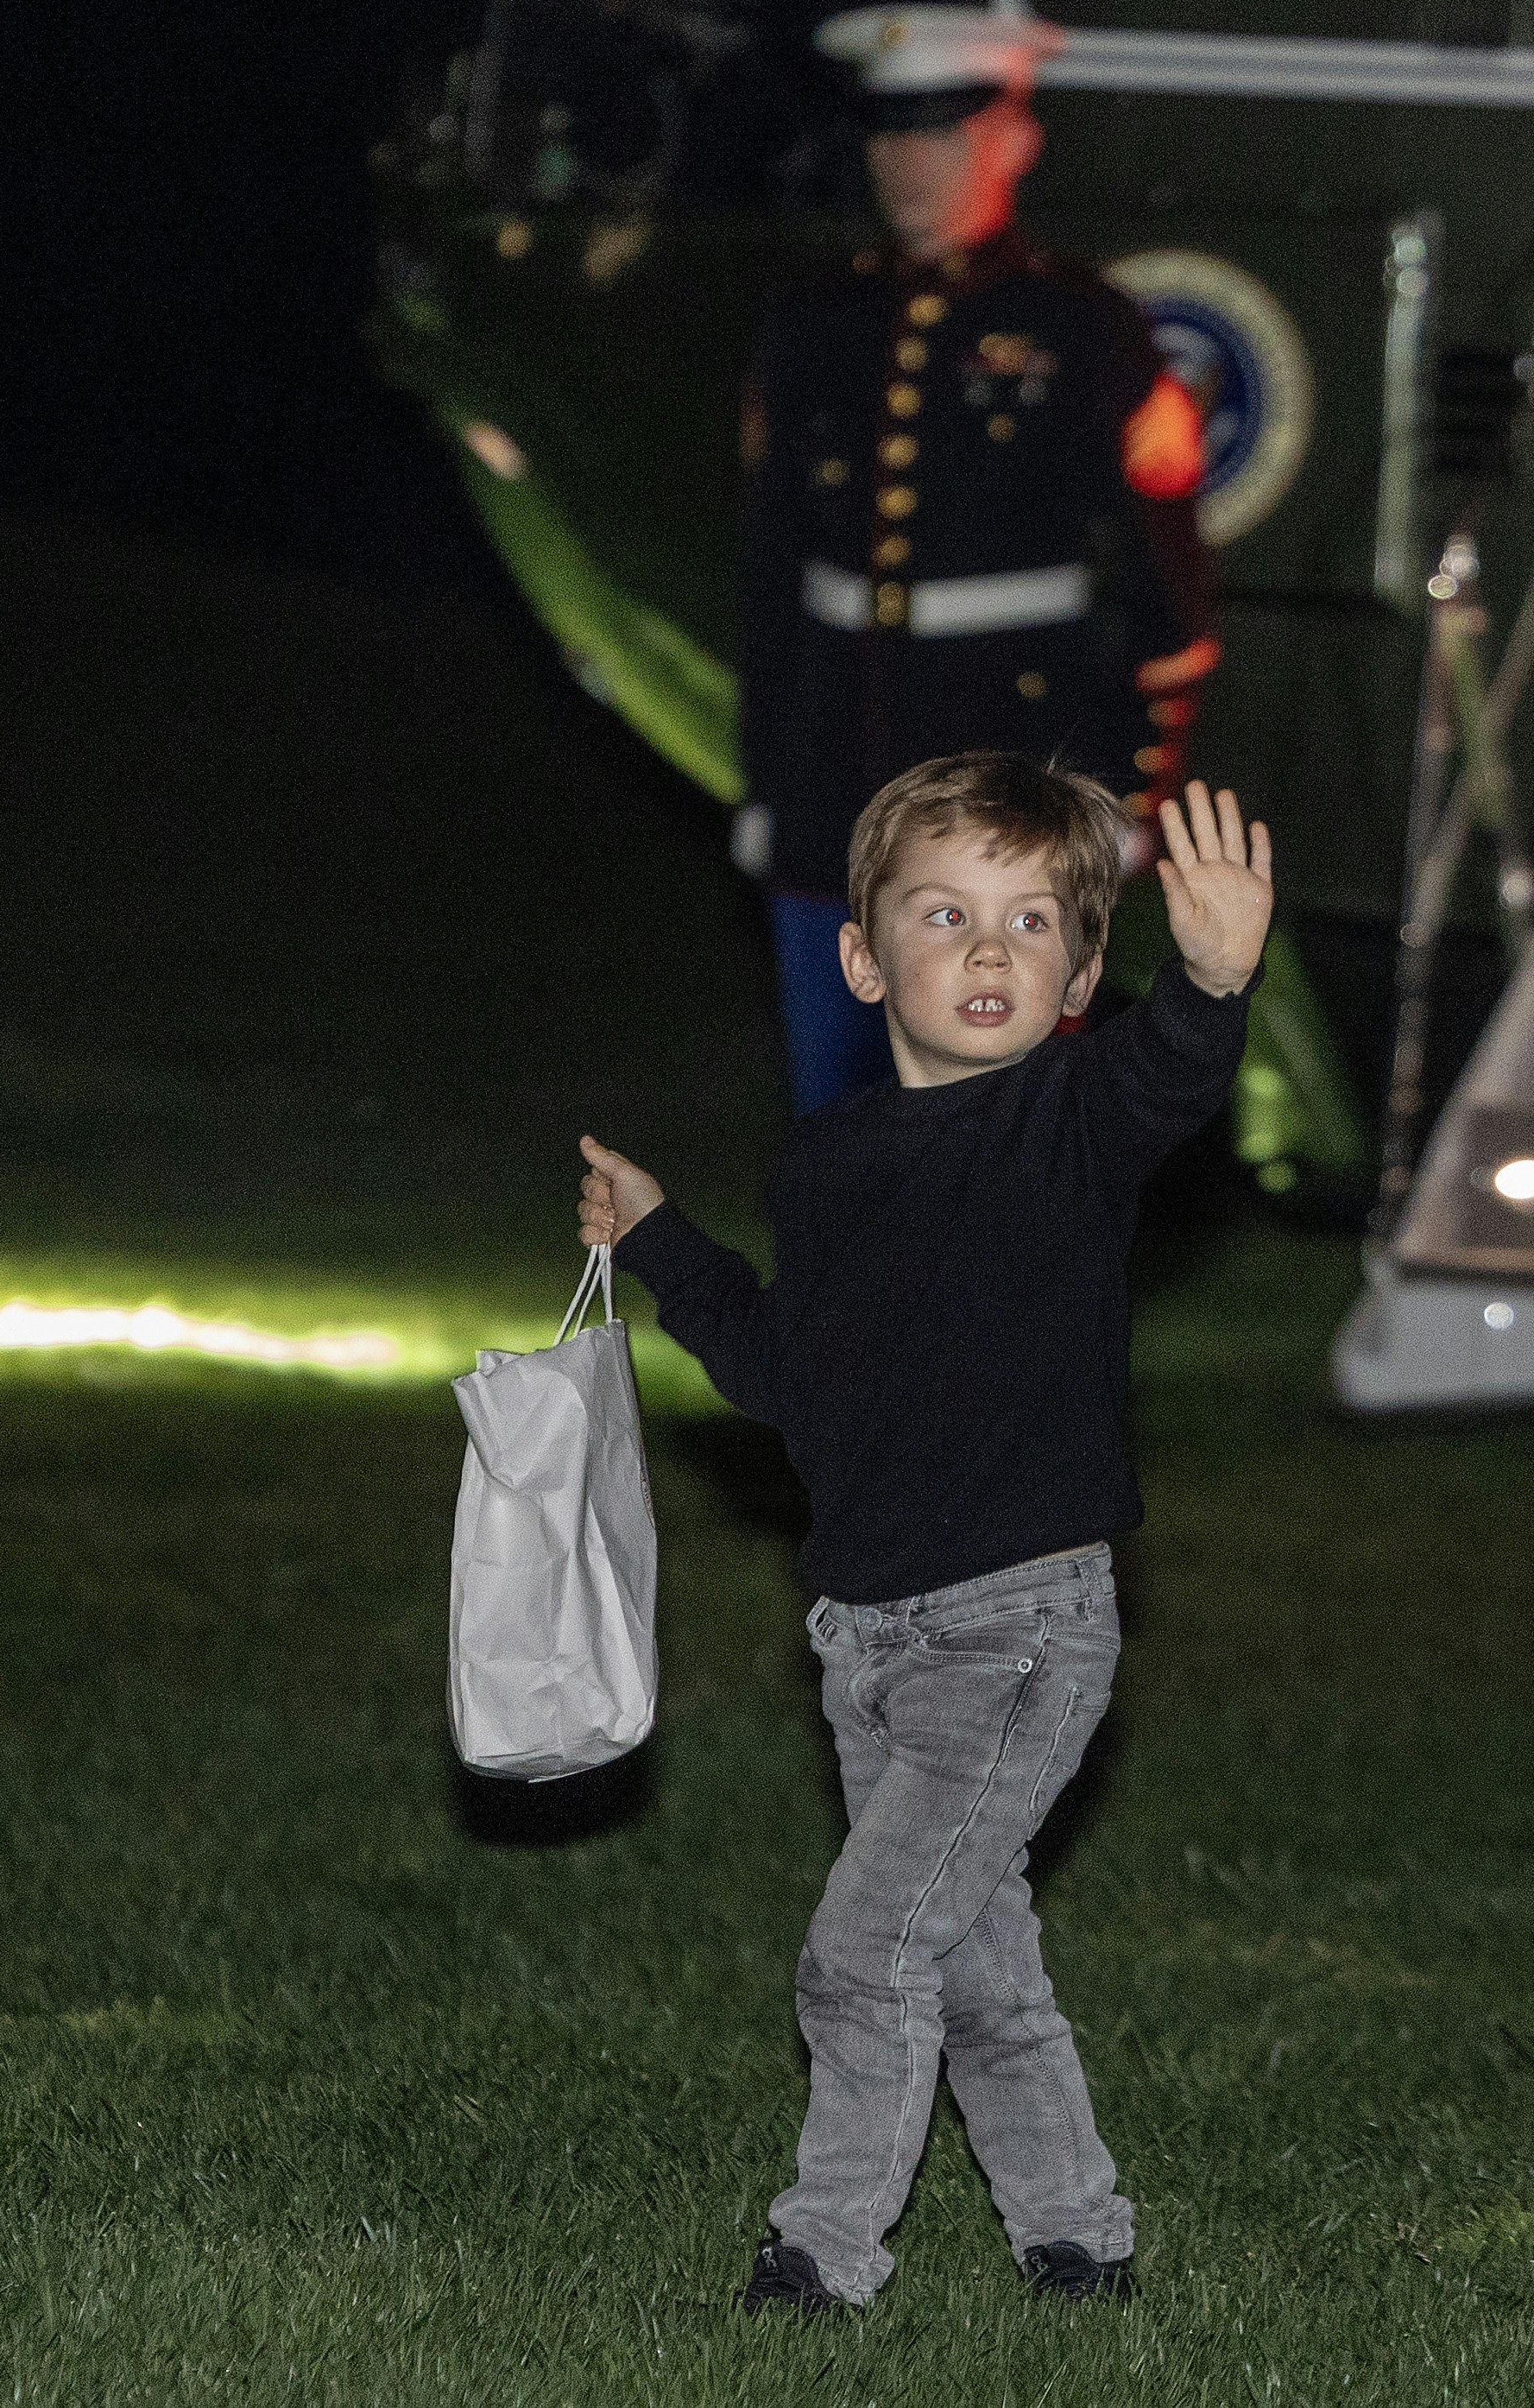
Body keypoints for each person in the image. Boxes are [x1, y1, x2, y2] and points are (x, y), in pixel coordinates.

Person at [573, 755, 1277, 2316]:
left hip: (1020, 1625)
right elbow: (791, 1382)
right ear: (860, 952)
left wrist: (1212, 977)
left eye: (1032, 923)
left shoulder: (1069, 1118)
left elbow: (1163, 1075)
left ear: (1079, 973)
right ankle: (1075, 2233)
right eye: (944, 913)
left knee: (861, 1949)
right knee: (970, 1959)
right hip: (863, 1638)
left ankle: (820, 2255)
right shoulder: (828, 1165)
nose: (985, 950)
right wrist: (667, 1245)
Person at [734, 57, 1215, 1111]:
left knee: (1003, 1123)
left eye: (943, 135)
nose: (909, 164)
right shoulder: (818, 323)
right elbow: (771, 580)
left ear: (1013, 143)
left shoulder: (1082, 325)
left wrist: (1123, 792)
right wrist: (767, 777)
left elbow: (1164, 590)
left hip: (1005, 778)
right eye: (888, 137)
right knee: (843, 1112)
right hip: (835, 784)